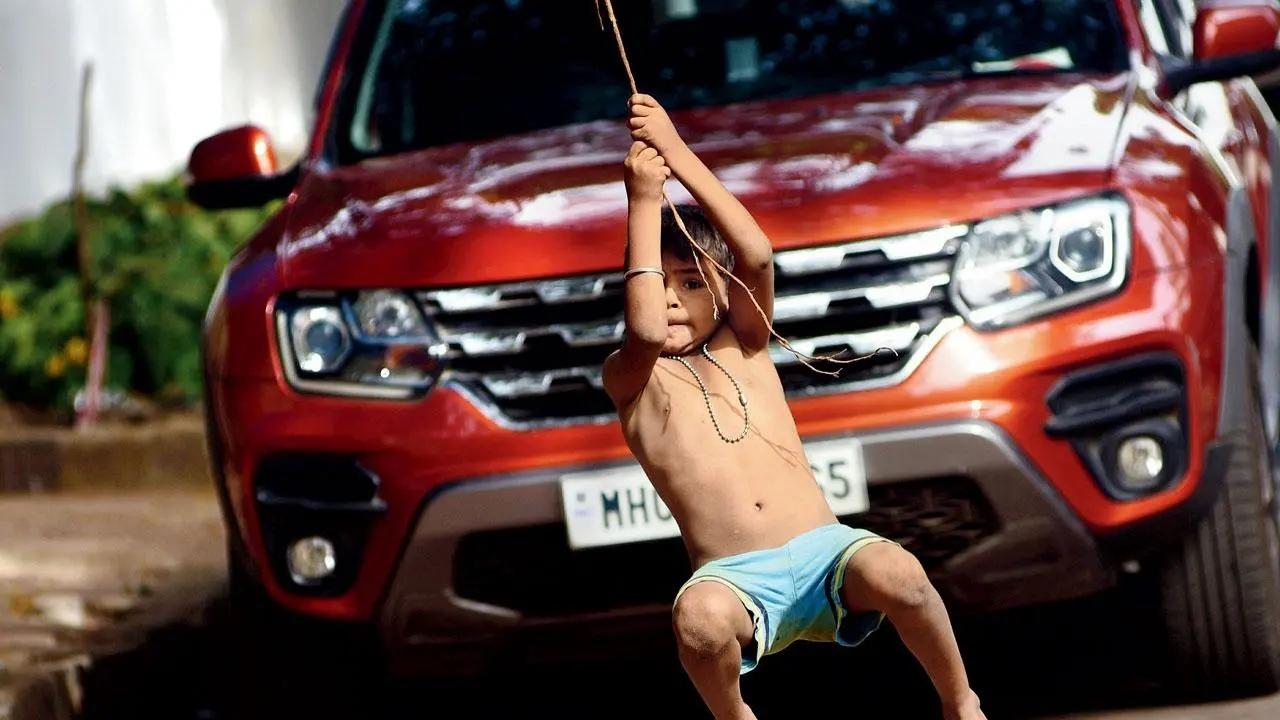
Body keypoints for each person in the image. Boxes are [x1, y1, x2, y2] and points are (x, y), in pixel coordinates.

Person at [602, 93, 986, 720]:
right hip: (734, 580)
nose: (672, 300)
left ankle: (960, 700)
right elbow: (644, 330)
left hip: (824, 553)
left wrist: (676, 153)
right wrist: (642, 201)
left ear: (723, 294)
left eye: (694, 282)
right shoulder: (634, 380)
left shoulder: (747, 345)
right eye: (657, 282)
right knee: (698, 624)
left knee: (902, 573)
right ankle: (735, 715)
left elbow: (754, 254)